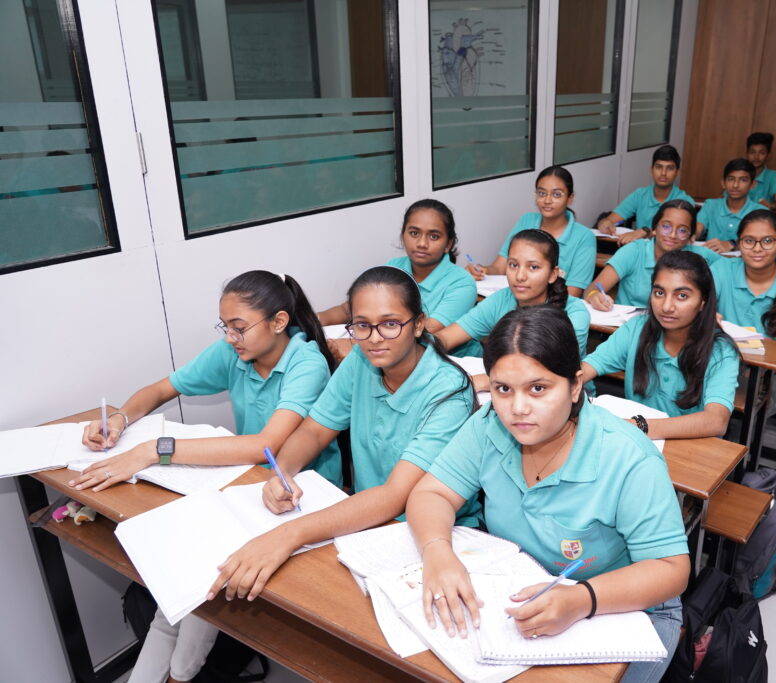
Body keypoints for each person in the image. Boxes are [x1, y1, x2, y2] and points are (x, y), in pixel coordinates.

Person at [69, 270, 340, 683]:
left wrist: (153, 452)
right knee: (177, 593)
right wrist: (121, 419)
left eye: (238, 327)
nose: (231, 338)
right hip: (243, 489)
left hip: (295, 497)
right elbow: (162, 389)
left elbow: (262, 445)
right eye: (225, 327)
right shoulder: (235, 352)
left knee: (200, 583)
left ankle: (181, 676)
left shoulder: (307, 364)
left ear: (279, 322)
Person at [407, 306, 689, 683]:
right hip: (524, 587)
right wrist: (437, 551)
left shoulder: (629, 458)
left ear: (575, 386)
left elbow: (671, 569)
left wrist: (582, 600)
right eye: (503, 389)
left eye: (538, 388)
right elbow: (432, 493)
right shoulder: (489, 424)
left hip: (627, 609)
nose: (517, 409)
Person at [208, 265, 480, 605]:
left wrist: (290, 535)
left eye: (391, 324)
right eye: (362, 326)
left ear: (419, 324)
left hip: (436, 535)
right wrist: (284, 472)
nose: (375, 338)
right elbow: (315, 429)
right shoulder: (361, 363)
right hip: (366, 521)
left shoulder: (448, 391)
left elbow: (395, 495)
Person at [582, 251, 740, 439]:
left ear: (702, 302)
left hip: (691, 450)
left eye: (681, 296)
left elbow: (716, 421)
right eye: (659, 293)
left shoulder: (721, 351)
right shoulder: (637, 328)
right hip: (637, 444)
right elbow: (586, 368)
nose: (666, 306)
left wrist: (636, 426)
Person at [319, 199, 476, 359]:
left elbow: (423, 331)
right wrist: (314, 320)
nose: (422, 243)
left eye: (434, 236)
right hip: (392, 353)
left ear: (449, 244)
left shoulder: (462, 283)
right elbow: (349, 310)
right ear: (403, 235)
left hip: (449, 361)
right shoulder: (394, 267)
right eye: (414, 233)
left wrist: (352, 343)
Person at [712, 210, 776, 416]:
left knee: (752, 404)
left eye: (767, 241)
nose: (757, 249)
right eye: (749, 241)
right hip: (722, 360)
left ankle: (737, 444)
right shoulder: (722, 269)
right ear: (739, 243)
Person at [439, 229, 590, 359]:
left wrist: (485, 380)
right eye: (513, 265)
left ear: (552, 274)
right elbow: (446, 338)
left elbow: (550, 372)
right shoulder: (502, 299)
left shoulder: (575, 313)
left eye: (533, 267)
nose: (520, 276)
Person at [466, 166, 596, 297]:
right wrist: (483, 270)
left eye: (557, 194)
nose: (547, 200)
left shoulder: (584, 237)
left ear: (570, 198)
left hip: (552, 309)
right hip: (518, 297)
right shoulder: (526, 221)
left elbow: (572, 293)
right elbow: (500, 267)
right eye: (541, 193)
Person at [584, 199, 721, 310]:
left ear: (691, 236)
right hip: (627, 327)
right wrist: (594, 295)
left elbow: (733, 267)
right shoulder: (634, 251)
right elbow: (594, 287)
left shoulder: (701, 256)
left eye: (682, 230)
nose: (672, 235)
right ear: (654, 229)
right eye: (666, 226)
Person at [595, 144, 696, 246]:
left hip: (669, 254)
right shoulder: (640, 195)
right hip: (641, 250)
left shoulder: (685, 201)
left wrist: (645, 232)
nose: (663, 173)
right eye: (658, 167)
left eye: (669, 168)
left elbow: (679, 235)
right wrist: (604, 223)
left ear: (677, 172)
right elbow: (611, 219)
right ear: (651, 170)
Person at [696, 158, 763, 253]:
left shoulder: (761, 212)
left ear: (752, 184)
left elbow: (762, 241)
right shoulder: (710, 205)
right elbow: (698, 228)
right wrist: (690, 234)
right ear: (723, 183)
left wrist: (731, 244)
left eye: (743, 180)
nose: (735, 185)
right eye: (731, 179)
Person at [744, 132, 776, 209]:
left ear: (768, 155)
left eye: (762, 153)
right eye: (752, 152)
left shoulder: (774, 176)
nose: (756, 157)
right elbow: (724, 197)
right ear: (746, 154)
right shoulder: (739, 173)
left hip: (761, 218)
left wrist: (771, 206)